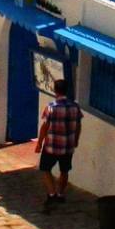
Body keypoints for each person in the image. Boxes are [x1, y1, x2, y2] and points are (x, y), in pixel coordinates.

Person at [36, 78, 81, 210]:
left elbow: (45, 127)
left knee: (45, 169)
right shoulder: (75, 107)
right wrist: (76, 140)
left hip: (52, 145)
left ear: (55, 91)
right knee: (64, 170)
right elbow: (78, 126)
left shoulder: (51, 108)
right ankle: (60, 193)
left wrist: (39, 143)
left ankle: (51, 193)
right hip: (68, 146)